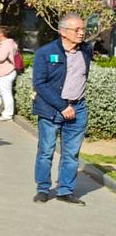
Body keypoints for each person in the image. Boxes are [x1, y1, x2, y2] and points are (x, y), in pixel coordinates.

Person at [32, 13, 92, 205]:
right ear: (63, 32)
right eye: (77, 29)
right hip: (52, 108)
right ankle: (43, 188)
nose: (81, 33)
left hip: (78, 108)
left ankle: (65, 190)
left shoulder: (86, 51)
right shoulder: (45, 52)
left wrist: (74, 105)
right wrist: (62, 106)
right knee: (46, 150)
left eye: (83, 29)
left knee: (71, 153)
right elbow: (40, 84)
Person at [0, 27, 19, 121]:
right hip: (0, 72)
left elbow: (1, 57)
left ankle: (7, 114)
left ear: (1, 34)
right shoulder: (4, 43)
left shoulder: (7, 44)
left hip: (5, 72)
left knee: (5, 93)